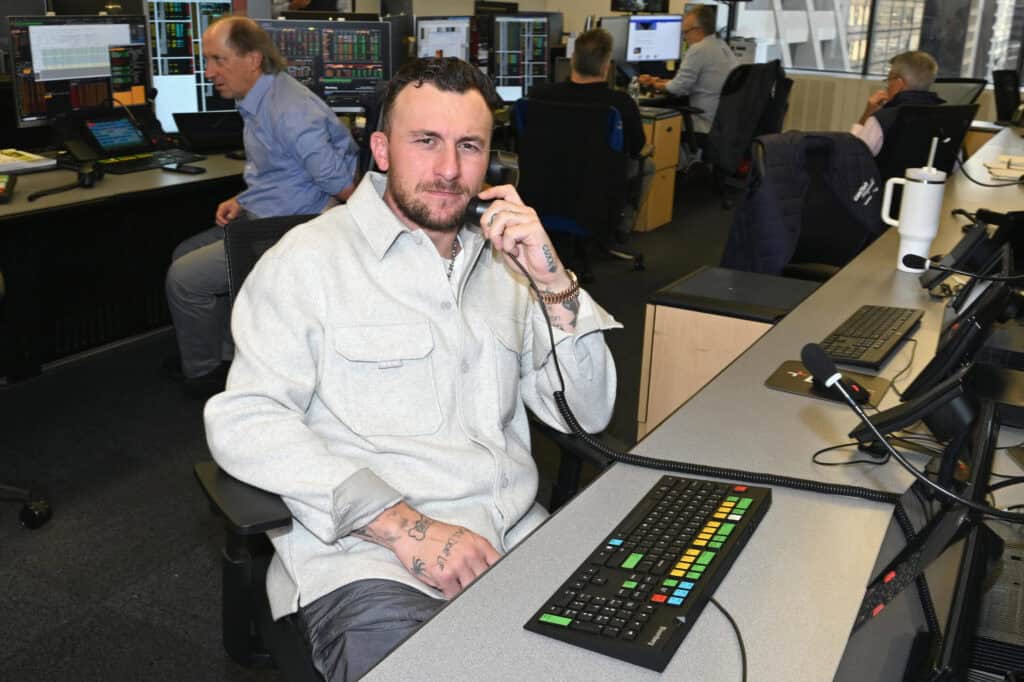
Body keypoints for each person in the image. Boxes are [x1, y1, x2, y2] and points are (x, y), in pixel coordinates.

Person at [203, 57, 620, 681]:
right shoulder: (308, 262)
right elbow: (245, 419)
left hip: (515, 539)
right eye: (425, 142)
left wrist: (553, 280)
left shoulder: (508, 265)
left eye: (469, 146)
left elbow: (588, 412)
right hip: (371, 563)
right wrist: (404, 526)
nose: (449, 169)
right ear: (381, 149)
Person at [165, 16, 359, 397]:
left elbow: (344, 185)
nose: (209, 72)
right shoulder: (262, 97)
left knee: (185, 279)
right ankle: (224, 358)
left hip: (290, 225)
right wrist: (242, 198)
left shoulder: (289, 109)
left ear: (252, 59)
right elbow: (283, 168)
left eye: (218, 60)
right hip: (269, 210)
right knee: (183, 253)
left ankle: (205, 375)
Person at [529, 28, 653, 239]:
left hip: (544, 194)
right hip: (596, 197)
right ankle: (622, 226)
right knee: (647, 165)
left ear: (573, 60)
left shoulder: (538, 96)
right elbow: (636, 148)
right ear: (606, 66)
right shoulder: (621, 104)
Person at [638, 5, 737, 137]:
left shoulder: (699, 49)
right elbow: (689, 83)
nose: (684, 38)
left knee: (655, 125)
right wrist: (659, 81)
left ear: (698, 30)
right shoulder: (721, 45)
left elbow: (677, 88)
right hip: (722, 121)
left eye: (686, 32)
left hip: (702, 121)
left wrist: (651, 84)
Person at [851, 51, 943, 157]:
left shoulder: (882, 119)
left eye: (889, 80)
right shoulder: (948, 117)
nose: (887, 86)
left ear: (899, 84)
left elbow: (853, 157)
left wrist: (866, 115)